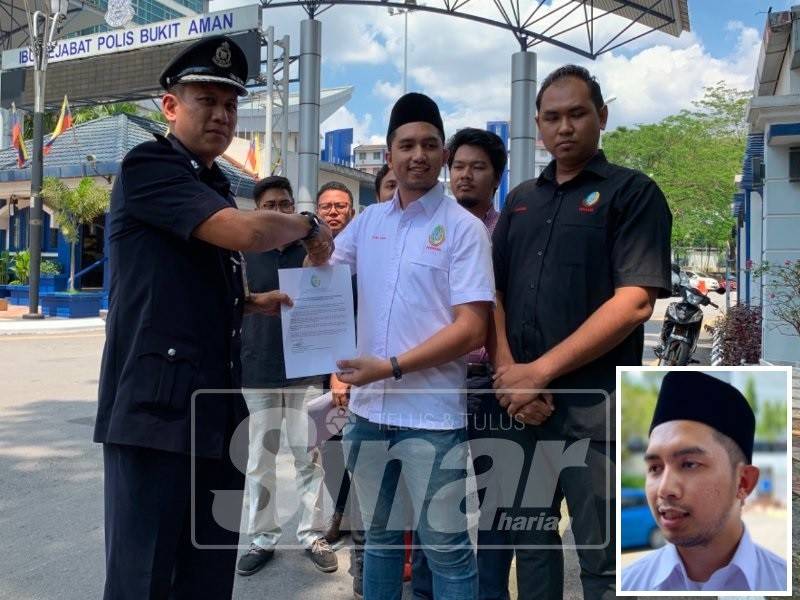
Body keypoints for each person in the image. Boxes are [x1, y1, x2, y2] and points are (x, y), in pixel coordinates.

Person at [94, 35, 333, 599]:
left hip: (215, 412)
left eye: (230, 104)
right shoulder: (150, 165)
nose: (223, 115)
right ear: (170, 105)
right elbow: (246, 233)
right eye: (207, 100)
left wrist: (249, 302)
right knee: (143, 579)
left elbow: (175, 284)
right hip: (155, 414)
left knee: (206, 575)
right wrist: (309, 225)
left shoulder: (213, 182)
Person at [490, 64, 672, 599]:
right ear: (538, 126)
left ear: (602, 116)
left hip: (597, 416)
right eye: (552, 117)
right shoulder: (520, 200)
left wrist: (538, 373)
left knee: (605, 561)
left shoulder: (633, 194)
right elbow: (492, 293)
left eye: (577, 114)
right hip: (521, 414)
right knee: (532, 546)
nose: (564, 127)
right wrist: (510, 377)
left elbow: (635, 302)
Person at [331, 92, 495, 599]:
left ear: (443, 154)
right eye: (406, 145)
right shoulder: (368, 223)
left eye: (429, 144)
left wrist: (390, 366)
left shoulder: (465, 230)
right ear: (389, 155)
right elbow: (324, 275)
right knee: (379, 542)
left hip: (431, 419)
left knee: (446, 550)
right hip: (367, 415)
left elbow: (472, 329)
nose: (417, 155)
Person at [411, 127, 514, 600]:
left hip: (490, 383)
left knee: (496, 506)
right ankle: (427, 593)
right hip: (437, 383)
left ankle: (489, 593)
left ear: (497, 177)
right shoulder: (427, 229)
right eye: (459, 167)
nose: (465, 175)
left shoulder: (508, 233)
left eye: (478, 167)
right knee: (436, 504)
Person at [235, 176, 336, 577]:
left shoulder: (311, 250)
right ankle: (262, 538)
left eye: (285, 204)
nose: (278, 211)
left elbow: (329, 298)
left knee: (309, 457)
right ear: (258, 210)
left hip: (305, 372)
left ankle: (312, 534)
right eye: (270, 205)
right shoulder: (244, 251)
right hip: (256, 368)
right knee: (260, 460)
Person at [622, 371, 787, 592]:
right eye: (655, 468)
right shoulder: (630, 584)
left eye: (689, 464)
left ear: (743, 482)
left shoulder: (780, 582)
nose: (664, 489)